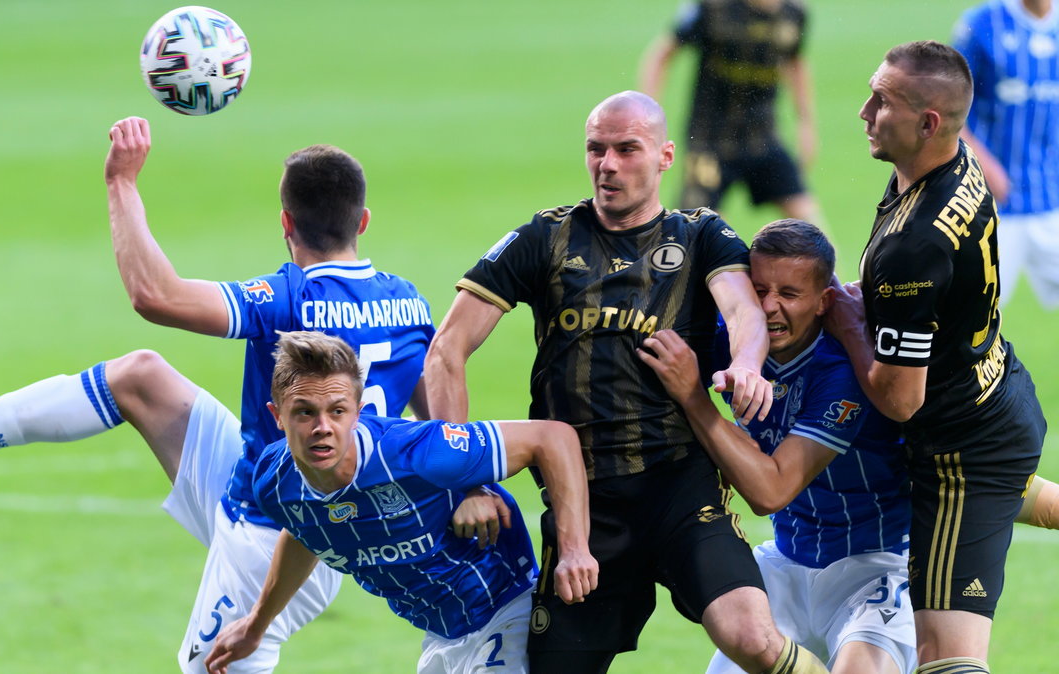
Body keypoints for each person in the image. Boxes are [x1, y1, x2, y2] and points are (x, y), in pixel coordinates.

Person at [0, 122, 499, 673]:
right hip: (279, 493)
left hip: (279, 533)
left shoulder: (287, 297)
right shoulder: (409, 302)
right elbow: (432, 408)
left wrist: (122, 183)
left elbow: (155, 294)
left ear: (284, 223)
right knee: (139, 377)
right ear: (362, 222)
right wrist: (465, 484)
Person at [425, 90, 828, 674]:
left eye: (625, 149)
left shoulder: (700, 235)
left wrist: (744, 365)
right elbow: (446, 350)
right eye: (596, 149)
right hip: (583, 505)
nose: (606, 164)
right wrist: (462, 480)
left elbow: (742, 312)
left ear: (665, 157)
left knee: (752, 638)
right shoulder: (546, 239)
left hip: (681, 491)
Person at [827, 41, 1047, 673]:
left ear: (929, 123)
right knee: (1024, 498)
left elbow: (900, 399)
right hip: (996, 393)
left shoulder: (911, 248)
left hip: (959, 456)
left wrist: (847, 324)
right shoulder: (955, 162)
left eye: (883, 102)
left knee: (946, 661)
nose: (864, 112)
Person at [201, 331, 598, 674]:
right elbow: (306, 529)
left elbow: (553, 438)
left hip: (505, 610)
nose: (322, 428)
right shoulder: (274, 482)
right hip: (439, 636)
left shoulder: (412, 454)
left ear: (357, 412)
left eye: (337, 411)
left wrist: (574, 550)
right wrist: (256, 625)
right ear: (277, 416)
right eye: (304, 412)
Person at [639, 219, 916, 674]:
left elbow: (771, 492)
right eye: (759, 290)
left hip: (874, 565)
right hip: (787, 560)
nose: (769, 308)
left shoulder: (840, 372)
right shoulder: (726, 339)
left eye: (789, 294)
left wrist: (694, 398)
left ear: (823, 301)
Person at [639, 0, 822, 224]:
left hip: (763, 138)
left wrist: (806, 125)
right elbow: (663, 54)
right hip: (709, 142)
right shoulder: (712, 8)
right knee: (701, 231)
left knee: (812, 226)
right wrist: (648, 117)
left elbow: (794, 62)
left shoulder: (794, 13)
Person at [953, 0, 1059, 308]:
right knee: (970, 319)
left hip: (1052, 199)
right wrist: (986, 167)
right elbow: (946, 105)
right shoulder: (983, 24)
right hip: (992, 204)